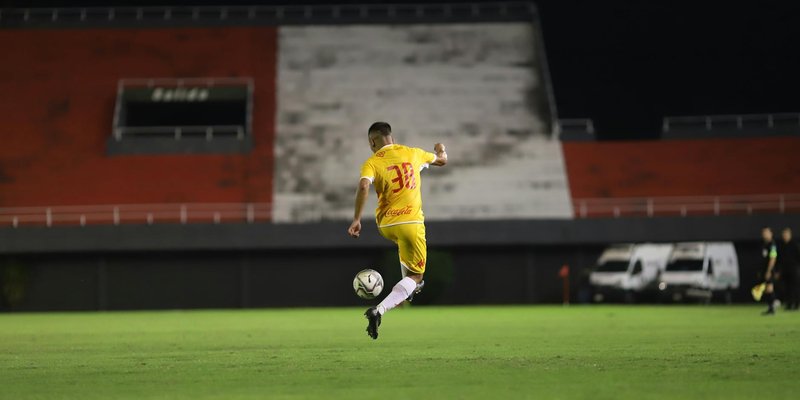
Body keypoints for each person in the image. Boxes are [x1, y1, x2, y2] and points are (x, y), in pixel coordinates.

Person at [348, 122, 447, 339]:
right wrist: (440, 148)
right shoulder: (413, 153)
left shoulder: (372, 162)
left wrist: (356, 219)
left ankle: (406, 291)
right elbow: (442, 160)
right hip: (411, 222)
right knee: (417, 276)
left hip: (386, 224)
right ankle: (380, 309)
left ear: (373, 141)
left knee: (405, 250)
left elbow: (364, 186)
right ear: (390, 137)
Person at [777, 227, 800, 310]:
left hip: (794, 269)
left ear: (790, 235)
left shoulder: (794, 245)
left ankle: (796, 304)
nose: (785, 236)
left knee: (795, 287)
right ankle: (789, 304)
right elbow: (779, 259)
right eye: (784, 234)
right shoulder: (781, 246)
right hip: (784, 270)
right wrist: (779, 270)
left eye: (786, 234)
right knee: (787, 288)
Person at [760, 227, 779, 315]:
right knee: (767, 289)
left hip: (770, 270)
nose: (765, 234)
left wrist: (769, 270)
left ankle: (773, 305)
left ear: (771, 233)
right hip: (765, 270)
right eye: (764, 233)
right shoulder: (765, 244)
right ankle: (771, 307)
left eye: (767, 232)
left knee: (769, 288)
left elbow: (773, 258)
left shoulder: (772, 244)